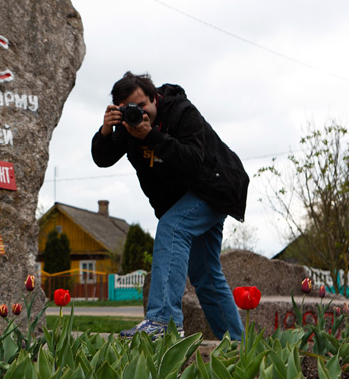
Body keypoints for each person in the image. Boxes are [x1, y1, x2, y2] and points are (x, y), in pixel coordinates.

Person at [91, 71, 249, 340]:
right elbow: (102, 159)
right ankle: (238, 346)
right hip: (186, 197)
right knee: (205, 275)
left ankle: (163, 324)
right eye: (129, 109)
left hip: (217, 186)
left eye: (142, 105)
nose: (138, 113)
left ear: (155, 99)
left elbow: (193, 160)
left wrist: (151, 136)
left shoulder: (181, 112)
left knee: (172, 227)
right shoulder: (128, 128)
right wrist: (106, 130)